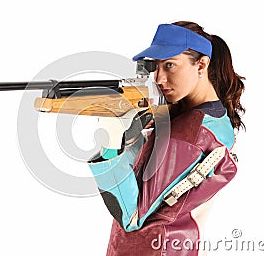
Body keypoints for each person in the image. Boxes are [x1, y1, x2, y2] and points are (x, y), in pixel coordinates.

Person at [88, 21, 245, 256]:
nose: (159, 78)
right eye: (156, 66)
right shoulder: (208, 120)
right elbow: (150, 181)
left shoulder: (190, 134)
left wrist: (111, 144)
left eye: (170, 65)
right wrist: (133, 135)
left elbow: (132, 216)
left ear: (201, 64)